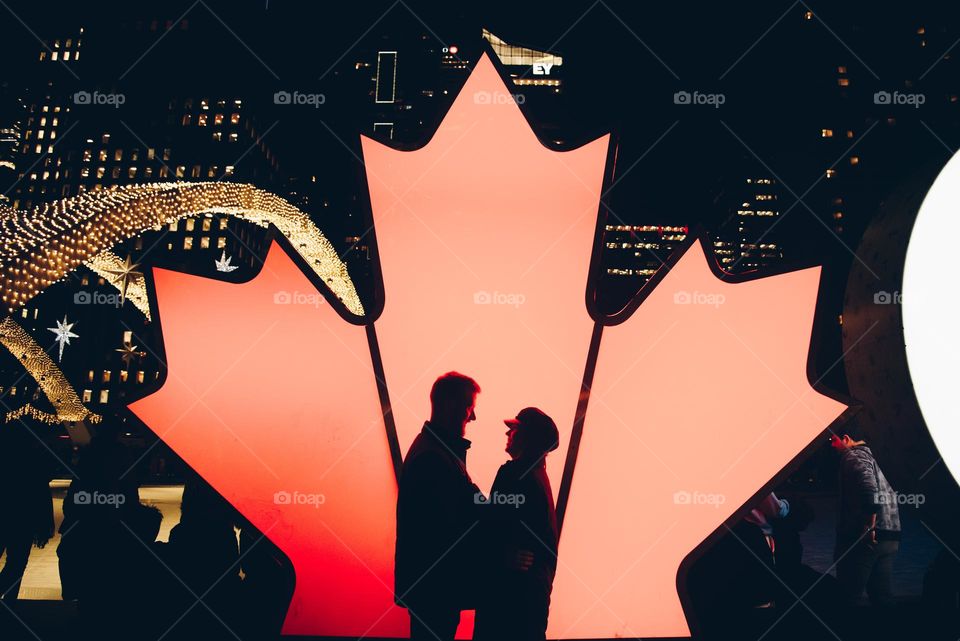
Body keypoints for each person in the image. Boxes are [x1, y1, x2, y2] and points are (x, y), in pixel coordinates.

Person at [395, 372, 482, 641]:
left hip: (431, 588)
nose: (473, 416)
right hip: (438, 589)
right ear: (450, 405)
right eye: (470, 406)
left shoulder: (431, 452)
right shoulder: (435, 458)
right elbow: (451, 528)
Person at [474, 407, 559, 641]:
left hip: (506, 603)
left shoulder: (513, 475)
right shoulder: (538, 478)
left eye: (514, 429)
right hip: (529, 604)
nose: (507, 433)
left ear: (528, 438)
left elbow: (491, 526)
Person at [831, 430, 901, 606]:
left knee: (847, 598)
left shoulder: (853, 456)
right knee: (882, 598)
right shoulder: (878, 456)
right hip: (890, 535)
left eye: (833, 440)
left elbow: (868, 490)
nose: (832, 445)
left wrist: (869, 526)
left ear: (846, 438)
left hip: (864, 538)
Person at [0, 422, 54, 601]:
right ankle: (10, 602)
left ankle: (10, 601)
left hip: (8, 515)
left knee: (16, 561)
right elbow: (40, 493)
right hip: (24, 519)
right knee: (17, 562)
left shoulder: (7, 460)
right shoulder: (34, 460)